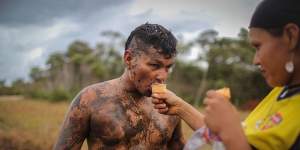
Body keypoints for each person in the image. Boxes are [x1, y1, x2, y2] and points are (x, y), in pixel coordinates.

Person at [152, 0, 300, 149]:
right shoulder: (281, 92)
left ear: (290, 36)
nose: (255, 60)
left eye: (258, 46)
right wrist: (179, 107)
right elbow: (228, 140)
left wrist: (230, 129)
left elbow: (233, 139)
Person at [54, 23, 185, 150]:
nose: (162, 76)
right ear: (129, 59)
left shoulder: (171, 107)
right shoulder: (90, 99)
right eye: (155, 65)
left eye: (168, 67)